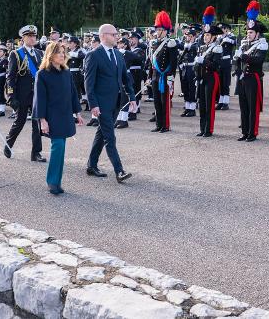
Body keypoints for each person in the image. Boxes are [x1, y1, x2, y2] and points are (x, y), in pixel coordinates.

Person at [84, 23, 136, 183]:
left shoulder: (119, 55)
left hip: (116, 102)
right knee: (110, 137)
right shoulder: (93, 55)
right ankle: (119, 171)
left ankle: (91, 165)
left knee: (102, 133)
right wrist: (93, 104)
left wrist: (132, 97)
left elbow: (126, 79)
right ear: (104, 36)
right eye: (113, 34)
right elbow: (89, 83)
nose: (117, 37)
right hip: (102, 103)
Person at [33, 42, 84, 195]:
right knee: (58, 147)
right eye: (59, 52)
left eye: (63, 52)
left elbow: (73, 94)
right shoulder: (42, 74)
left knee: (61, 149)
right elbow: (39, 99)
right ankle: (52, 182)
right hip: (51, 116)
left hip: (65, 114)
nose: (62, 55)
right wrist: (42, 120)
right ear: (50, 55)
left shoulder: (66, 73)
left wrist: (78, 113)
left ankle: (57, 182)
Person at [5, 25, 45, 162]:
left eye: (34, 36)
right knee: (20, 122)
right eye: (29, 36)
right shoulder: (16, 54)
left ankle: (36, 153)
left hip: (37, 95)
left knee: (37, 124)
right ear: (23, 38)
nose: (32, 38)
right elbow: (10, 77)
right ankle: (8, 144)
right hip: (22, 94)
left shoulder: (40, 53)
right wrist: (11, 96)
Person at [234, 1, 268, 142]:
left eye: (251, 32)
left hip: (253, 78)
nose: (248, 34)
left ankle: (252, 132)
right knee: (243, 107)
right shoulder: (244, 44)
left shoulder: (262, 45)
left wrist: (243, 56)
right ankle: (244, 132)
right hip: (243, 78)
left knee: (253, 107)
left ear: (257, 33)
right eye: (247, 32)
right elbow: (237, 61)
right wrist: (237, 68)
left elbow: (258, 60)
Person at [148, 11, 178, 133]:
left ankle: (166, 125)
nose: (158, 32)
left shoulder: (171, 43)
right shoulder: (154, 43)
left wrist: (171, 77)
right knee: (156, 101)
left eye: (160, 29)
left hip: (165, 76)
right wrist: (150, 76)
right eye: (157, 29)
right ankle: (158, 124)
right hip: (156, 76)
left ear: (165, 30)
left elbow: (173, 62)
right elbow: (152, 62)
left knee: (164, 101)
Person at [194, 24, 223, 137]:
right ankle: (202, 128)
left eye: (208, 35)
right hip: (201, 78)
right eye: (205, 34)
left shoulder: (217, 48)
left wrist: (203, 61)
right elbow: (197, 65)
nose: (205, 37)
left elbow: (216, 66)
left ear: (213, 37)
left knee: (209, 104)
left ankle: (208, 129)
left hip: (211, 78)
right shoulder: (201, 48)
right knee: (201, 104)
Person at [179, 25, 199, 117]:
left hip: (192, 68)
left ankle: (192, 108)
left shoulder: (196, 45)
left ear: (194, 37)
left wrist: (188, 47)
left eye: (190, 36)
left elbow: (196, 49)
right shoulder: (185, 45)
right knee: (185, 88)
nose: (188, 38)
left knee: (192, 88)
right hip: (185, 68)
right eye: (187, 36)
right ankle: (187, 107)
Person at [216, 22, 236, 110]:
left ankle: (226, 102)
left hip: (227, 61)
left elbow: (235, 42)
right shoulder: (218, 38)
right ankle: (220, 101)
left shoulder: (231, 37)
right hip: (219, 62)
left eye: (221, 29)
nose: (220, 31)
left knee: (226, 82)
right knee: (220, 83)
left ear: (225, 29)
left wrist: (227, 39)